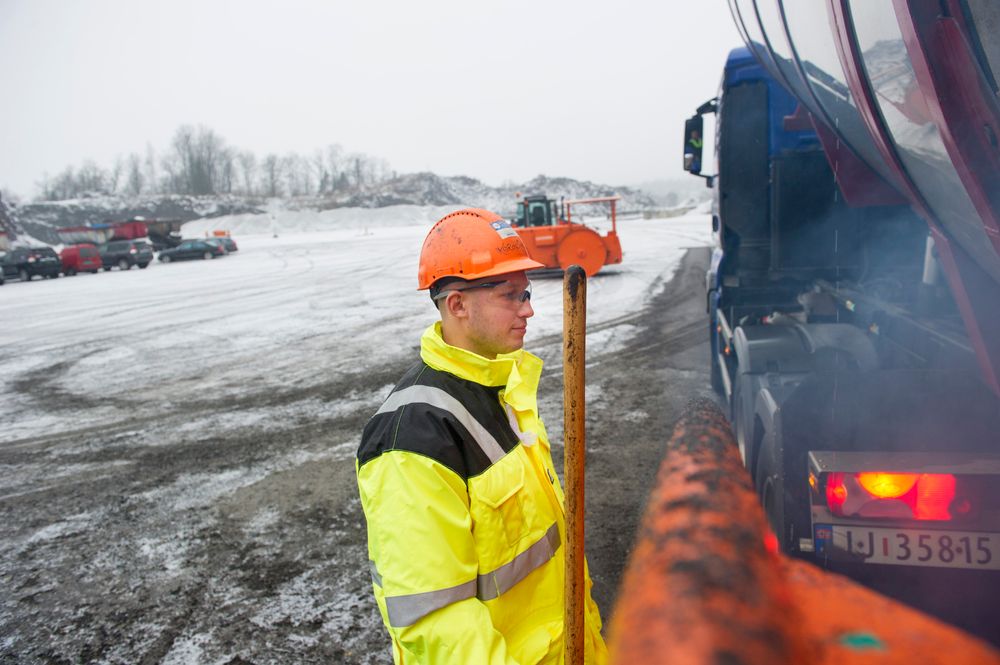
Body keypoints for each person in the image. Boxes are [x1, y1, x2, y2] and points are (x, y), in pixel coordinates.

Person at [357, 208, 608, 664]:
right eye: (511, 295)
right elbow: (439, 624)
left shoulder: (500, 390)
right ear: (457, 305)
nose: (528, 308)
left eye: (526, 293)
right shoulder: (412, 439)